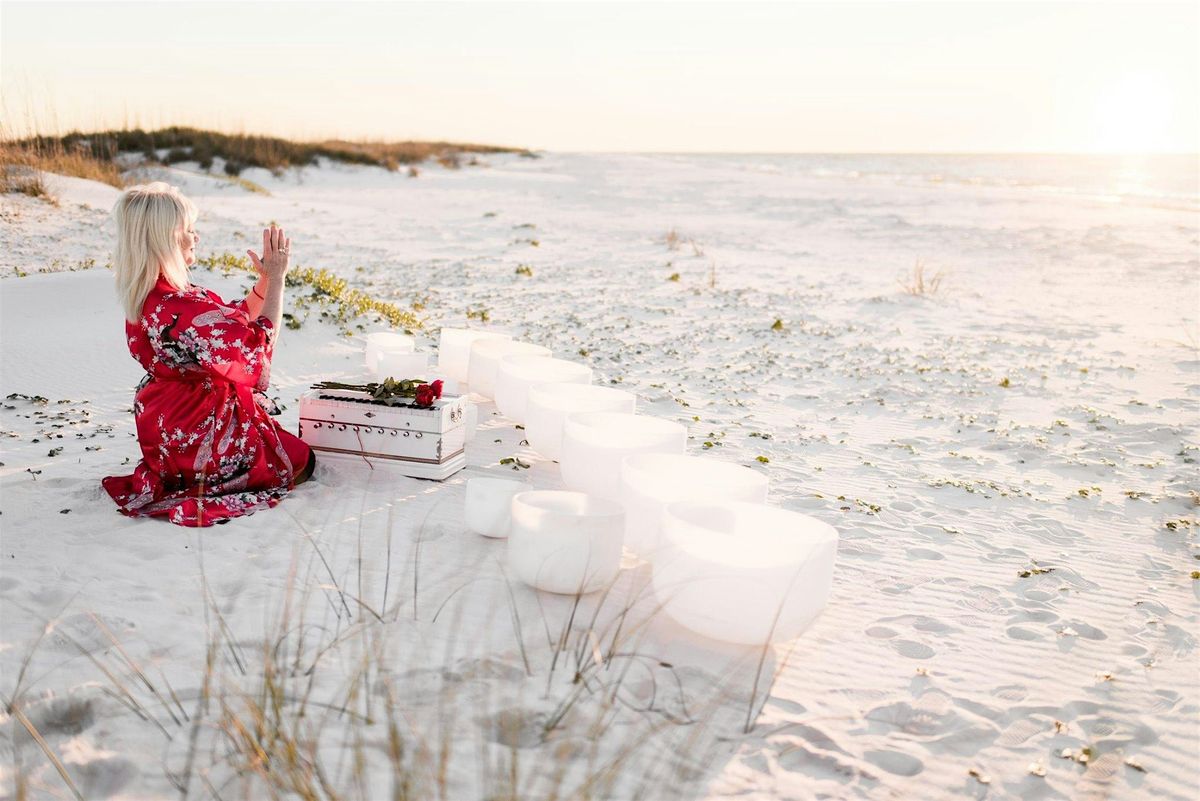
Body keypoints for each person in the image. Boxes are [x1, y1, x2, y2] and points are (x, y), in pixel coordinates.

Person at [102, 182, 315, 527]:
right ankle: (208, 475)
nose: (195, 238)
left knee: (284, 443)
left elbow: (229, 324)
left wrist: (262, 283)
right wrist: (277, 280)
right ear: (166, 238)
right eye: (188, 230)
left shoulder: (150, 294)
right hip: (198, 428)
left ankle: (185, 471)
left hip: (166, 427)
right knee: (301, 460)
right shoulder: (179, 305)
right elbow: (254, 344)